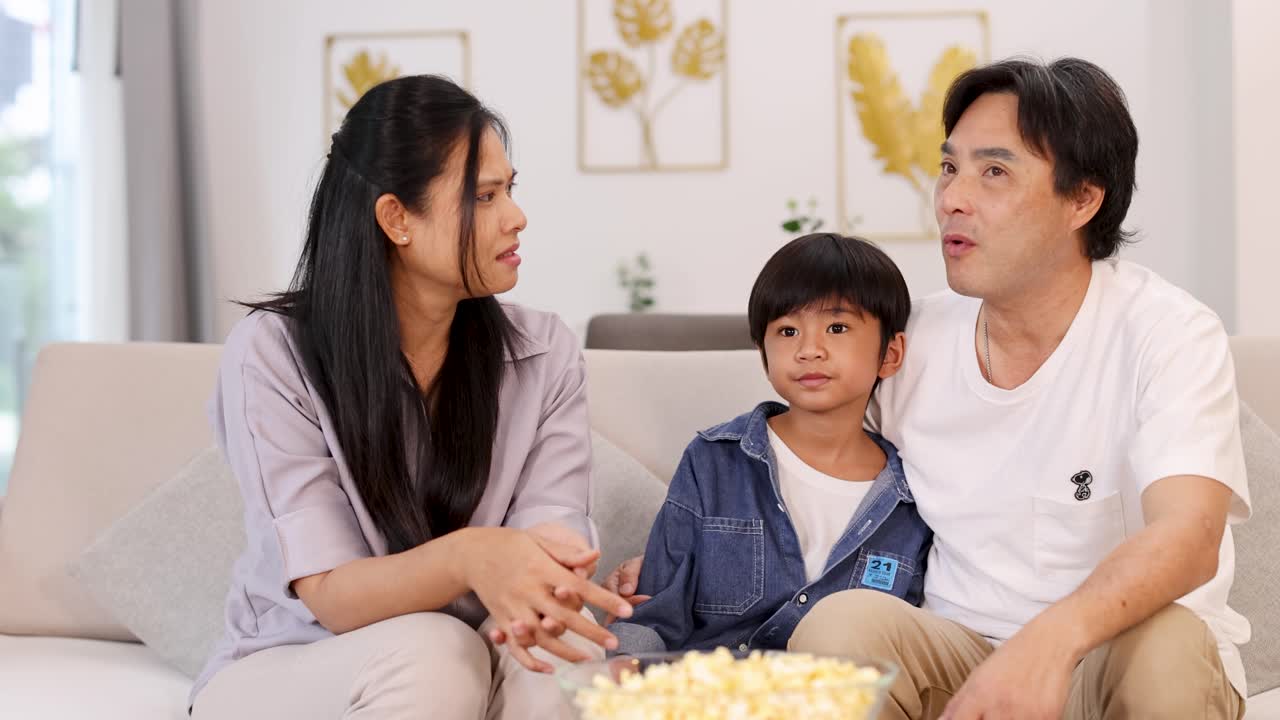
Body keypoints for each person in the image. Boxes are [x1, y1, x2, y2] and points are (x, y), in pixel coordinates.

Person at [607, 57, 1251, 720]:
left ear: (1082, 200)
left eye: (993, 172)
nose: (952, 198)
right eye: (950, 168)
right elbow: (810, 455)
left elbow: (1189, 535)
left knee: (1168, 642)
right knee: (841, 627)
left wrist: (1048, 644)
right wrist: (687, 558)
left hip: (1114, 659)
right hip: (961, 662)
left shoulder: (1169, 334)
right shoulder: (913, 341)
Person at [190, 75, 633, 720]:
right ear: (396, 217)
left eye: (510, 189)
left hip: (477, 646)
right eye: (484, 196)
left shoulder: (543, 353)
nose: (516, 215)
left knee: (556, 652)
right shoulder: (273, 352)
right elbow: (331, 594)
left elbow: (548, 558)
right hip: (297, 662)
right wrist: (470, 555)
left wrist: (550, 599)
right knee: (434, 650)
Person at [607, 233, 931, 657]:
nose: (809, 350)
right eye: (787, 330)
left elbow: (911, 635)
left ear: (890, 354)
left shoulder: (912, 499)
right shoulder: (713, 461)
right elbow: (655, 611)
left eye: (837, 327)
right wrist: (622, 675)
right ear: (763, 352)